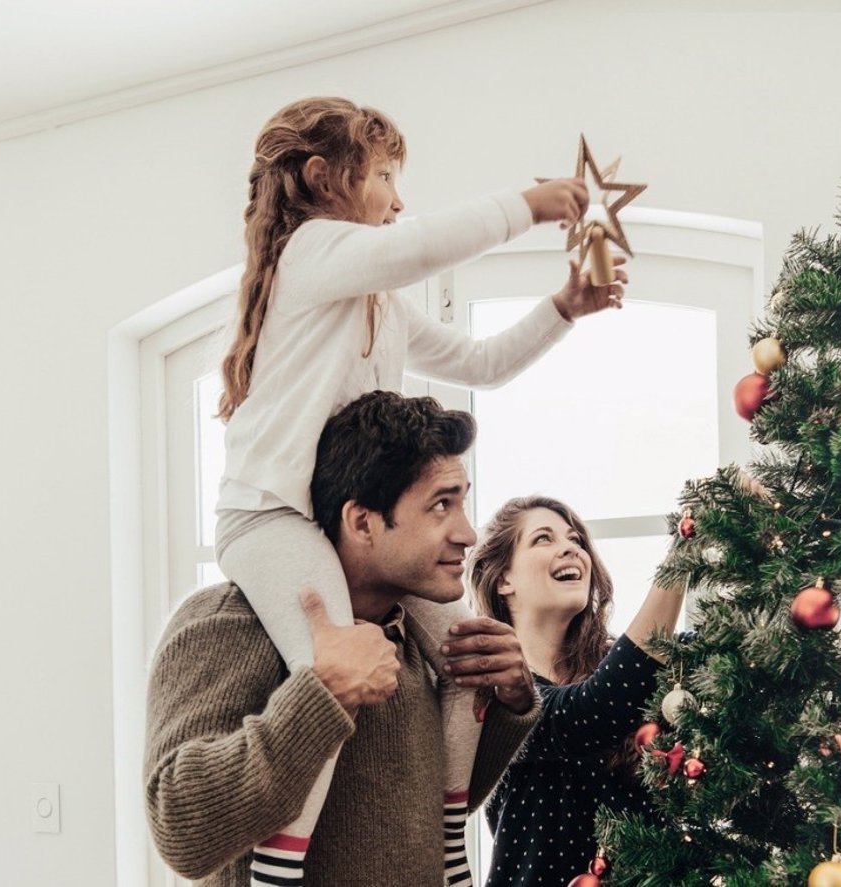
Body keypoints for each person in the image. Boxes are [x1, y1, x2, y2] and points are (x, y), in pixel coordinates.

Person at [212, 97, 625, 886]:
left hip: (344, 522)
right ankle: (276, 864)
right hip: (270, 516)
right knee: (330, 672)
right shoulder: (310, 254)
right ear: (324, 178)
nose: (399, 199)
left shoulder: (382, 305)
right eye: (386, 177)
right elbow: (418, 247)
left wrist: (563, 308)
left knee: (466, 655)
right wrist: (528, 206)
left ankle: (447, 846)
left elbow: (482, 363)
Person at [145, 391, 540, 886]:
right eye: (442, 504)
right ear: (362, 522)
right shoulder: (229, 620)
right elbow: (182, 830)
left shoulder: (412, 636)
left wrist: (510, 702)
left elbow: (418, 819)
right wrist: (322, 694)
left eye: (463, 501)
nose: (468, 533)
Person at [466, 495, 686, 887]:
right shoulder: (493, 690)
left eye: (576, 539)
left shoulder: (629, 677)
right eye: (543, 539)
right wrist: (687, 544)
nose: (571, 547)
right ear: (503, 579)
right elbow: (590, 714)